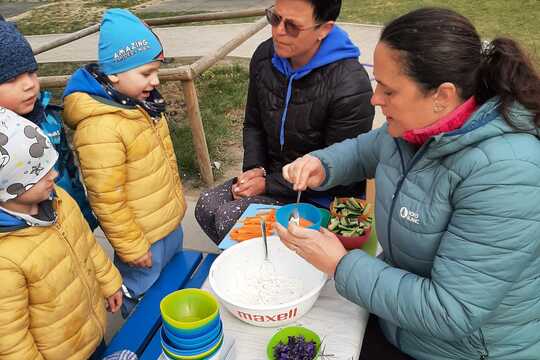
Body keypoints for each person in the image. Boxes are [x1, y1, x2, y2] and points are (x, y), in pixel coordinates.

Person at [277, 7, 540, 360]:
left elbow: (451, 310)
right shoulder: (416, 127)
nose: (375, 99)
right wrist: (322, 164)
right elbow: (366, 150)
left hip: (460, 349)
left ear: (442, 96)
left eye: (388, 90)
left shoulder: (506, 175)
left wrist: (340, 265)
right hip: (398, 318)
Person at [195, 0, 374, 245]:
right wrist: (255, 168)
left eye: (292, 26)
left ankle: (278, 267)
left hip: (322, 195)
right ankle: (261, 264)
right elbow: (254, 123)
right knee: (206, 206)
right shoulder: (264, 57)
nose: (278, 31)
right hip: (272, 176)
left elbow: (343, 172)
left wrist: (267, 184)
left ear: (324, 29)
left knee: (229, 219)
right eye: (275, 18)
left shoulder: (350, 84)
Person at [62, 8, 186, 318]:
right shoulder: (101, 128)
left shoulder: (139, 104)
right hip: (141, 238)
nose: (155, 81)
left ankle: (168, 326)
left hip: (165, 223)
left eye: (156, 70)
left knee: (170, 283)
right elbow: (107, 199)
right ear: (115, 73)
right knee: (142, 291)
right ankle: (138, 337)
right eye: (146, 73)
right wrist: (131, 246)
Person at [0, 109, 123, 359]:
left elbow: (87, 244)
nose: (54, 175)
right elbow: (11, 340)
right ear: (9, 187)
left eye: (51, 166)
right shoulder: (5, 260)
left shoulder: (59, 199)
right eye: (40, 173)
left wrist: (109, 282)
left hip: (88, 330)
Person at [0, 19, 98, 230]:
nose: (29, 84)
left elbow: (69, 172)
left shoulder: (48, 119)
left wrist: (84, 217)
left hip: (71, 223)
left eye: (31, 72)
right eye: (10, 79)